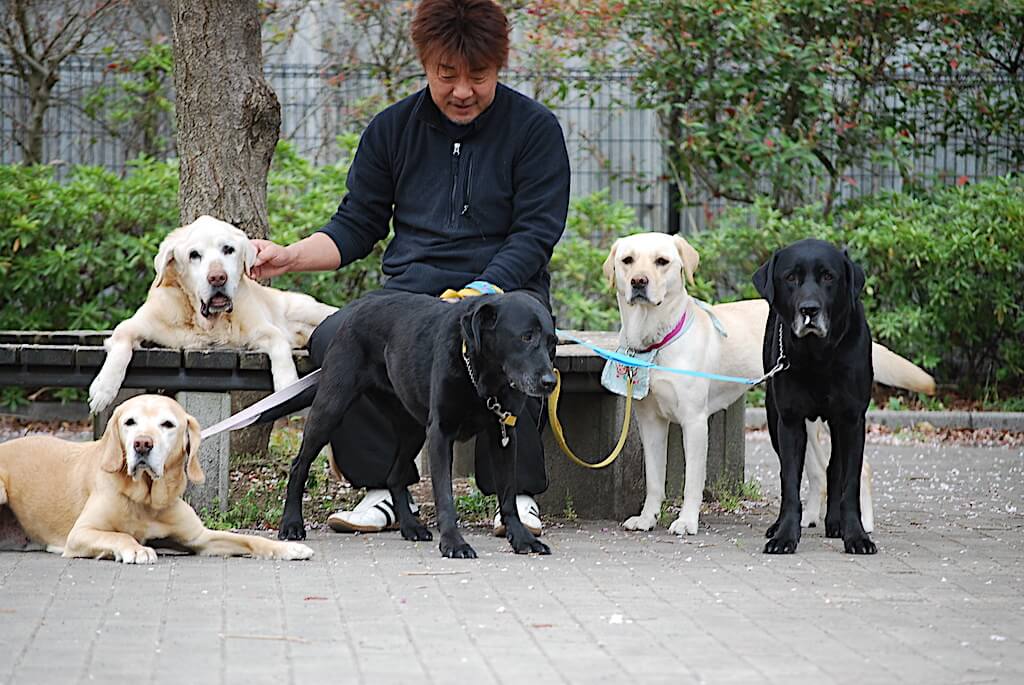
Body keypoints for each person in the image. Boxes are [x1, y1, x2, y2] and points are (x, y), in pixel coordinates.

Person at [250, 0, 570, 537]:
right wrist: (290, 256)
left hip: (502, 292)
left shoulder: (534, 129)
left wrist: (479, 293)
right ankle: (384, 488)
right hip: (412, 291)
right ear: (425, 65)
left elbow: (536, 232)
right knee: (336, 335)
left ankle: (513, 499)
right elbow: (356, 224)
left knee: (515, 343)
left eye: (479, 76)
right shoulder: (392, 129)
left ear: (500, 67)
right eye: (447, 76)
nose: (462, 90)